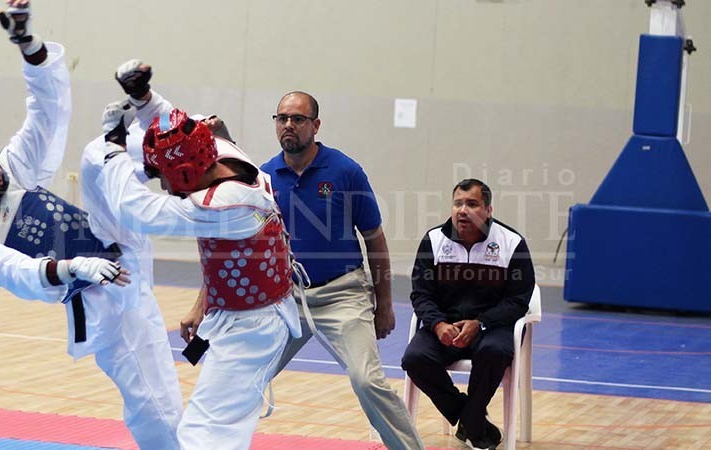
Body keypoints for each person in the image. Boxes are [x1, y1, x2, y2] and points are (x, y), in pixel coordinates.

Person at [0, 4, 183, 448]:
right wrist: (74, 268)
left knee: (98, 156)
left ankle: (160, 137)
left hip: (119, 243)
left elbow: (47, 111)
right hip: (104, 301)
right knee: (156, 408)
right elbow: (19, 274)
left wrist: (28, 45)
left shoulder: (14, 173)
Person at [84, 105, 302, 450]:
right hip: (246, 316)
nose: (163, 184)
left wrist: (113, 147)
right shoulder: (225, 156)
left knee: (205, 435)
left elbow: (134, 211)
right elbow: (182, 126)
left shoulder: (224, 205)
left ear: (185, 173)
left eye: (163, 176)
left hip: (252, 330)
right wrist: (144, 99)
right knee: (218, 431)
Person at [259, 91, 424, 450]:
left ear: (315, 125)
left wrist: (384, 304)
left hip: (343, 294)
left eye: (298, 119)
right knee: (245, 377)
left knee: (367, 380)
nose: (288, 125)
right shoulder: (265, 177)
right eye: (282, 118)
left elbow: (375, 240)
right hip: (289, 298)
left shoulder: (346, 172)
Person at [400, 179, 535, 450]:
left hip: (493, 328)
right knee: (414, 359)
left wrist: (481, 323)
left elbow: (519, 300)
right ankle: (473, 421)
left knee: (494, 353)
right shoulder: (433, 240)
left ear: (488, 210)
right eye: (458, 204)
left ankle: (472, 422)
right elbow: (421, 294)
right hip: (445, 327)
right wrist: (438, 324)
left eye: (472, 204)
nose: (463, 210)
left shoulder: (511, 243)